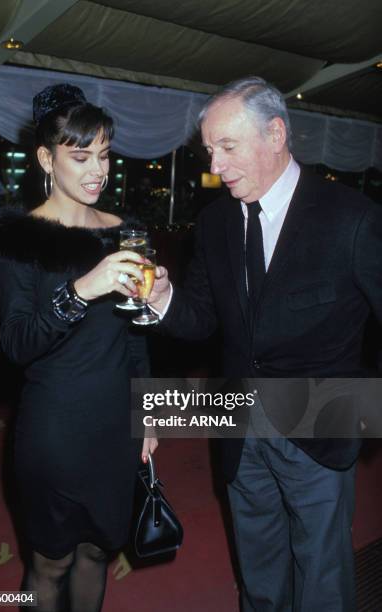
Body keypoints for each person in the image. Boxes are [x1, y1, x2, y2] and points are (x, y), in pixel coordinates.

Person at [149, 76, 382, 611]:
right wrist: (163, 300)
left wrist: (366, 409)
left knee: (323, 577)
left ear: (276, 134)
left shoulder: (353, 219)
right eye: (210, 150)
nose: (216, 165)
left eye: (228, 147)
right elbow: (201, 320)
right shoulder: (212, 224)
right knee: (258, 572)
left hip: (322, 425)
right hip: (237, 423)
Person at [0, 83, 157, 612]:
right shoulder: (19, 238)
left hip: (114, 426)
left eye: (103, 154)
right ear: (45, 158)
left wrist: (149, 417)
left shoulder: (127, 231)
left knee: (98, 553)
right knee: (51, 562)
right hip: (53, 431)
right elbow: (16, 344)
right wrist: (83, 288)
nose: (97, 170)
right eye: (80, 156)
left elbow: (136, 336)